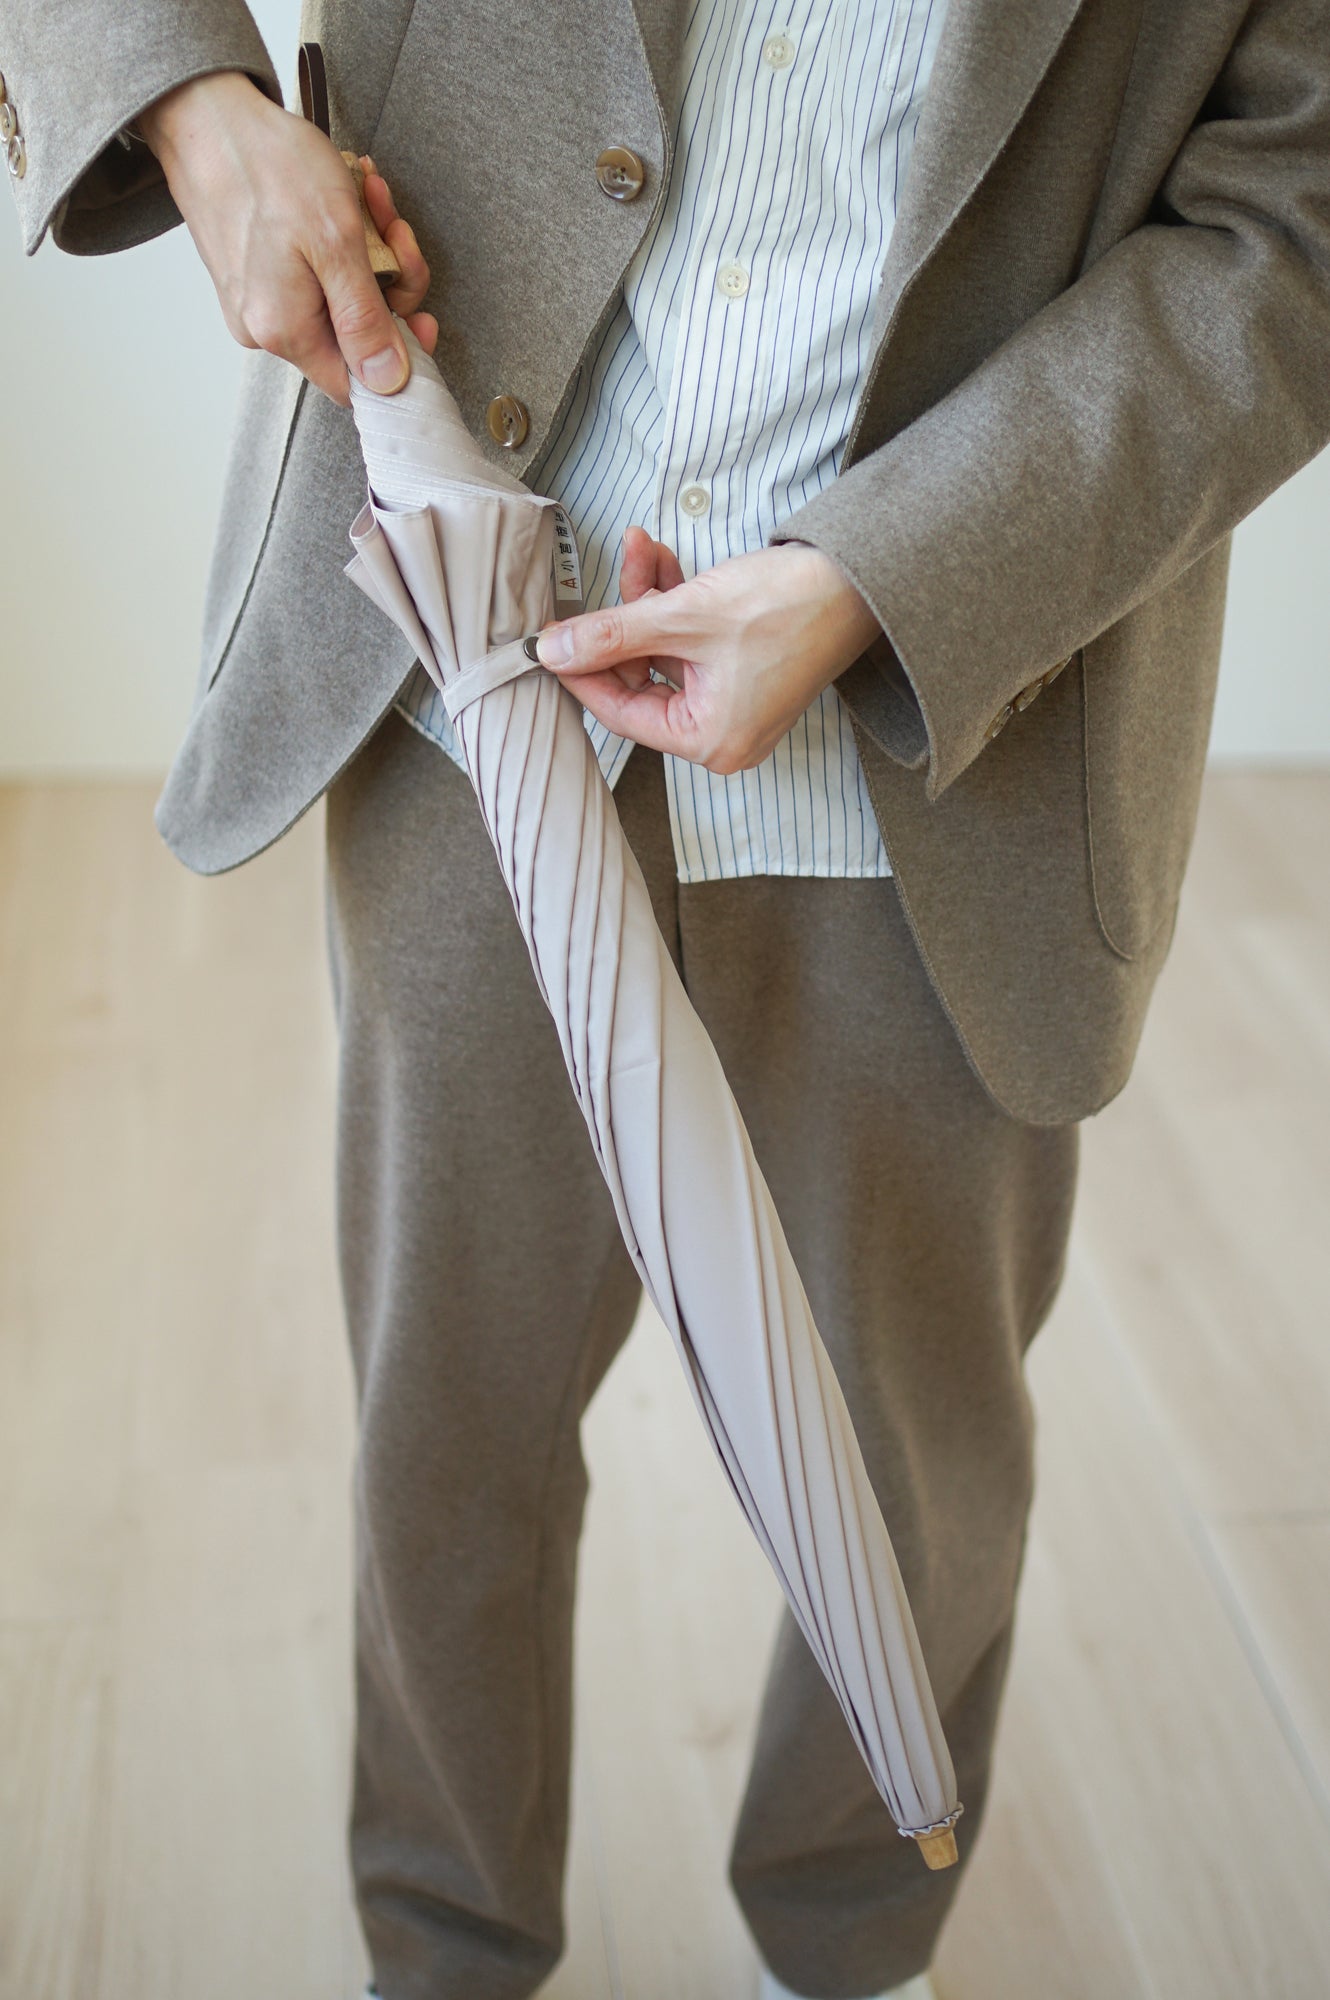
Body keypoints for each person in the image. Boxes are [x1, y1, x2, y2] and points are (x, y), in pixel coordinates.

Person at [4, 1, 1329, 1996]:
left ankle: (852, 1940)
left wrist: (879, 571)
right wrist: (190, 109)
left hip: (963, 720)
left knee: (908, 1465)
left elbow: (1291, 213)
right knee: (444, 1423)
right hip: (457, 659)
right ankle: (441, 1946)